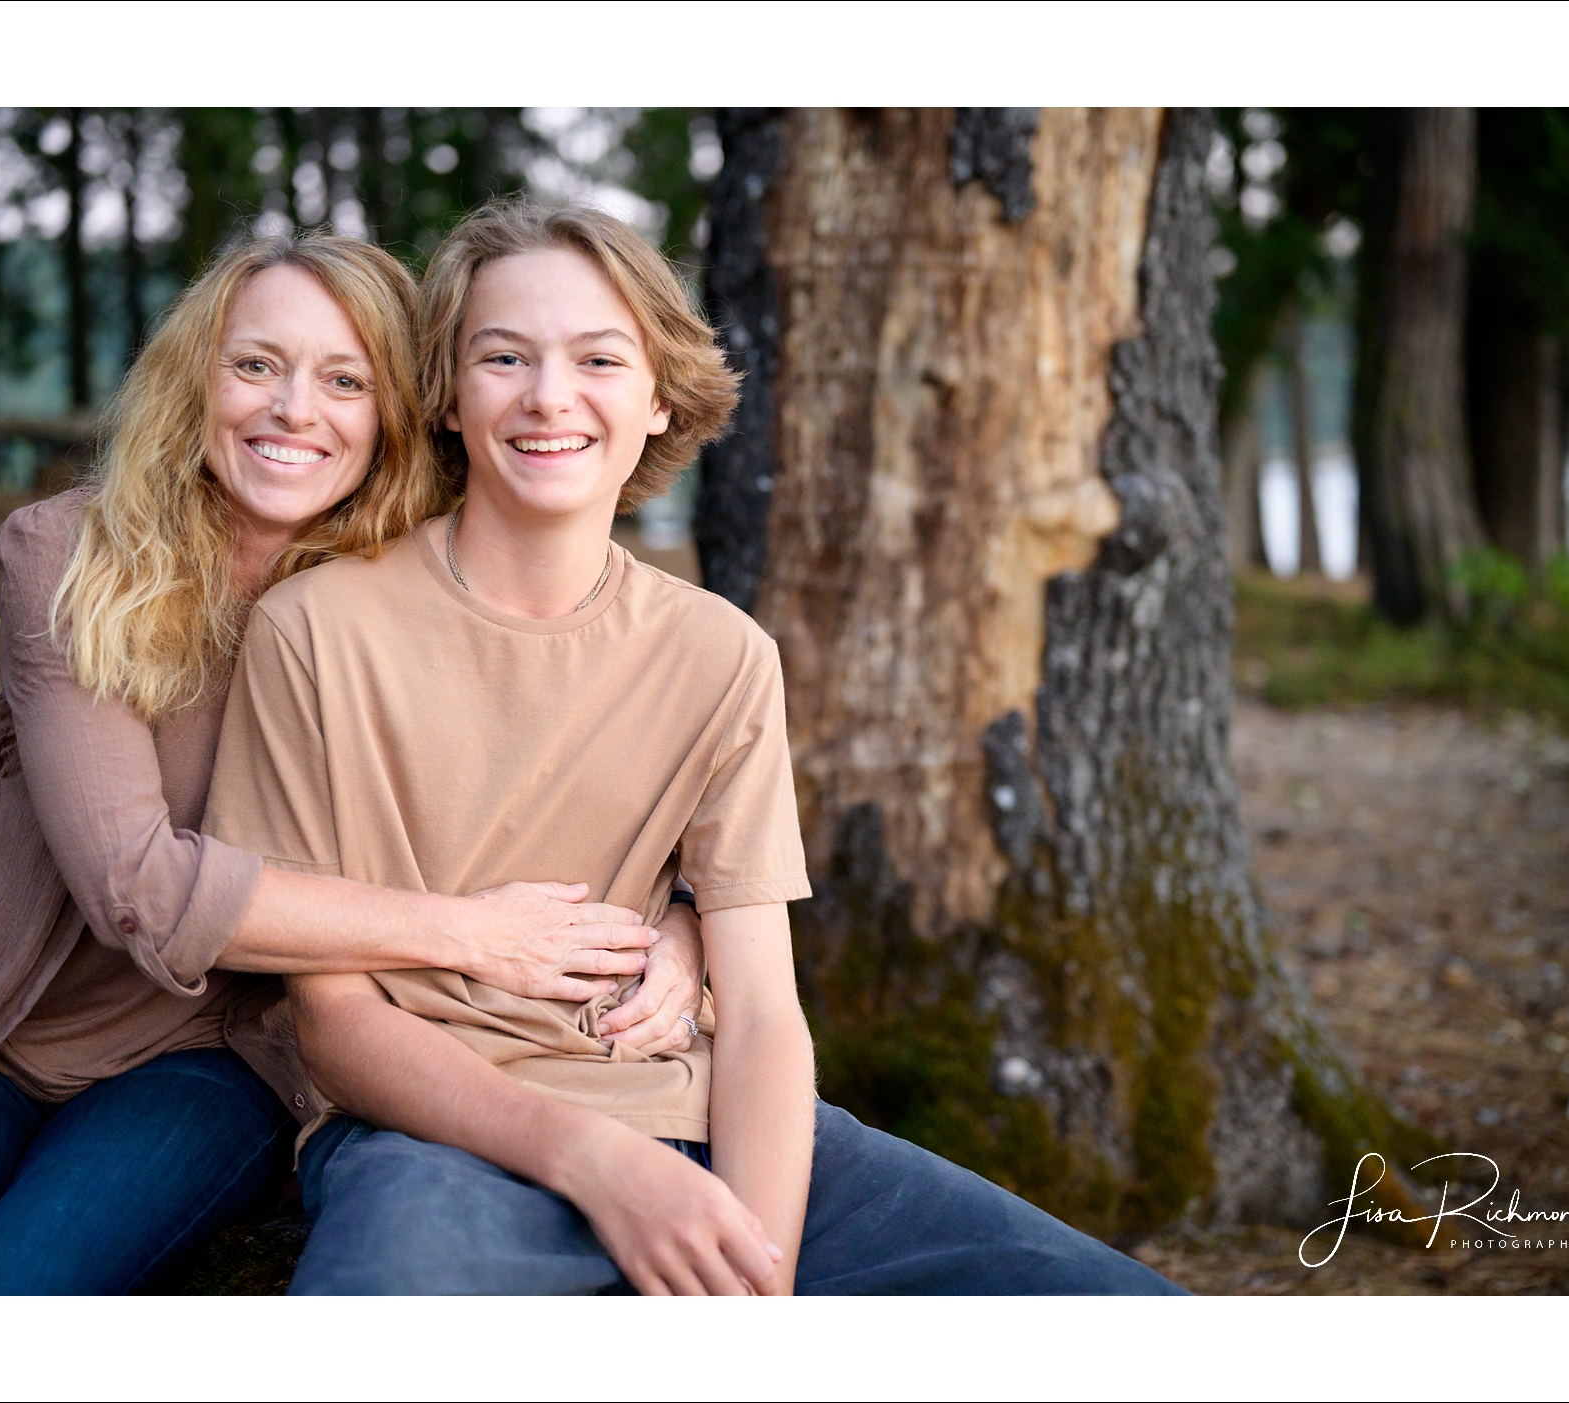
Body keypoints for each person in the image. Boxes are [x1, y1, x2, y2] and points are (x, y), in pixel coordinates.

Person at [203, 200, 1185, 1295]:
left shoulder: (722, 653)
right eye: (502, 356)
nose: (547, 395)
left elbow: (763, 1014)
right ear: (442, 392)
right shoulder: (317, 630)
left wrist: (750, 1275)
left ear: (659, 393)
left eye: (598, 358)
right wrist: (597, 1159)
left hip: (697, 1112)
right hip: (436, 1143)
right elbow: (334, 1022)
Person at [0, 232, 706, 1296]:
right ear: (194, 379)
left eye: (344, 379)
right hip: (0, 1039)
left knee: (12, 1282)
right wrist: (469, 930)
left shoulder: (409, 589)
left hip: (218, 1055)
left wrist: (684, 918)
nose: (293, 409)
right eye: (255, 363)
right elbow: (136, 884)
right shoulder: (69, 553)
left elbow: (602, 753)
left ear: (395, 411)